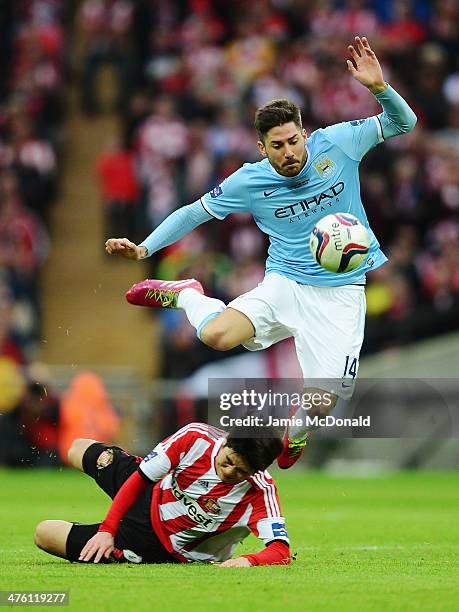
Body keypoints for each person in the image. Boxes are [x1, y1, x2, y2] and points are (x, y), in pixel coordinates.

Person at [104, 37, 417, 468]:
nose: (289, 152)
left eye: (293, 141)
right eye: (277, 146)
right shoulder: (248, 181)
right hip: (285, 282)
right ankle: (186, 292)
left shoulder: (339, 143)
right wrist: (144, 248)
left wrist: (380, 88)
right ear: (261, 148)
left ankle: (298, 431)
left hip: (341, 292)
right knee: (214, 336)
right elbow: (193, 213)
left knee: (322, 403)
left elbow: (404, 123)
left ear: (304, 133)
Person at [34, 422, 290, 567]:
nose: (229, 471)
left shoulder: (260, 491)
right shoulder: (195, 438)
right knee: (79, 448)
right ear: (225, 442)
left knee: (44, 534)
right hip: (147, 489)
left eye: (240, 471)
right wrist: (106, 530)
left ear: (257, 471)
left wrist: (248, 561)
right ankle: (152, 462)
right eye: (228, 461)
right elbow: (140, 479)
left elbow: (281, 551)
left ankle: (124, 556)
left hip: (152, 543)